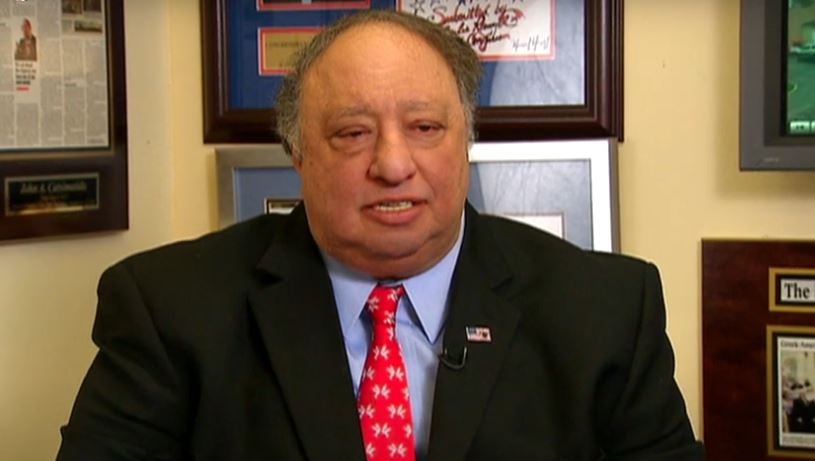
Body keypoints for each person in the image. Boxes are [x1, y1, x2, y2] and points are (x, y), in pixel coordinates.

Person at [57, 10, 705, 461]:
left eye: (424, 127)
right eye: (352, 133)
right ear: (298, 152)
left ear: (465, 140)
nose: (393, 164)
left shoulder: (605, 310)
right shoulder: (168, 309)